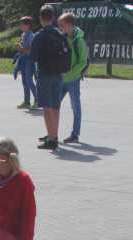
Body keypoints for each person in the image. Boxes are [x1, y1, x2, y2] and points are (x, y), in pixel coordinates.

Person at [31, 4, 69, 150]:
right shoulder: (60, 34)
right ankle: (55, 135)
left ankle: (51, 139)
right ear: (53, 18)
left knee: (47, 108)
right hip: (59, 74)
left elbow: (33, 56)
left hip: (45, 74)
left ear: (41, 18)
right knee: (56, 106)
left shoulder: (39, 36)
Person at [59, 12, 87, 145]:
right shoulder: (62, 38)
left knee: (75, 106)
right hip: (61, 78)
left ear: (70, 25)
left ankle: (75, 134)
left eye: (62, 25)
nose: (60, 28)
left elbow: (83, 61)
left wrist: (71, 72)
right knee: (54, 105)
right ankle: (52, 133)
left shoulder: (79, 41)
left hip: (73, 79)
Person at [14, 17, 38, 110]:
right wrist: (20, 47)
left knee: (29, 80)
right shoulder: (23, 34)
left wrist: (22, 49)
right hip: (23, 60)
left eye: (22, 24)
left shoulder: (31, 35)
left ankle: (37, 100)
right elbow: (22, 47)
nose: (20, 26)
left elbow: (30, 49)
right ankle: (27, 101)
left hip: (29, 60)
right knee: (24, 81)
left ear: (28, 25)